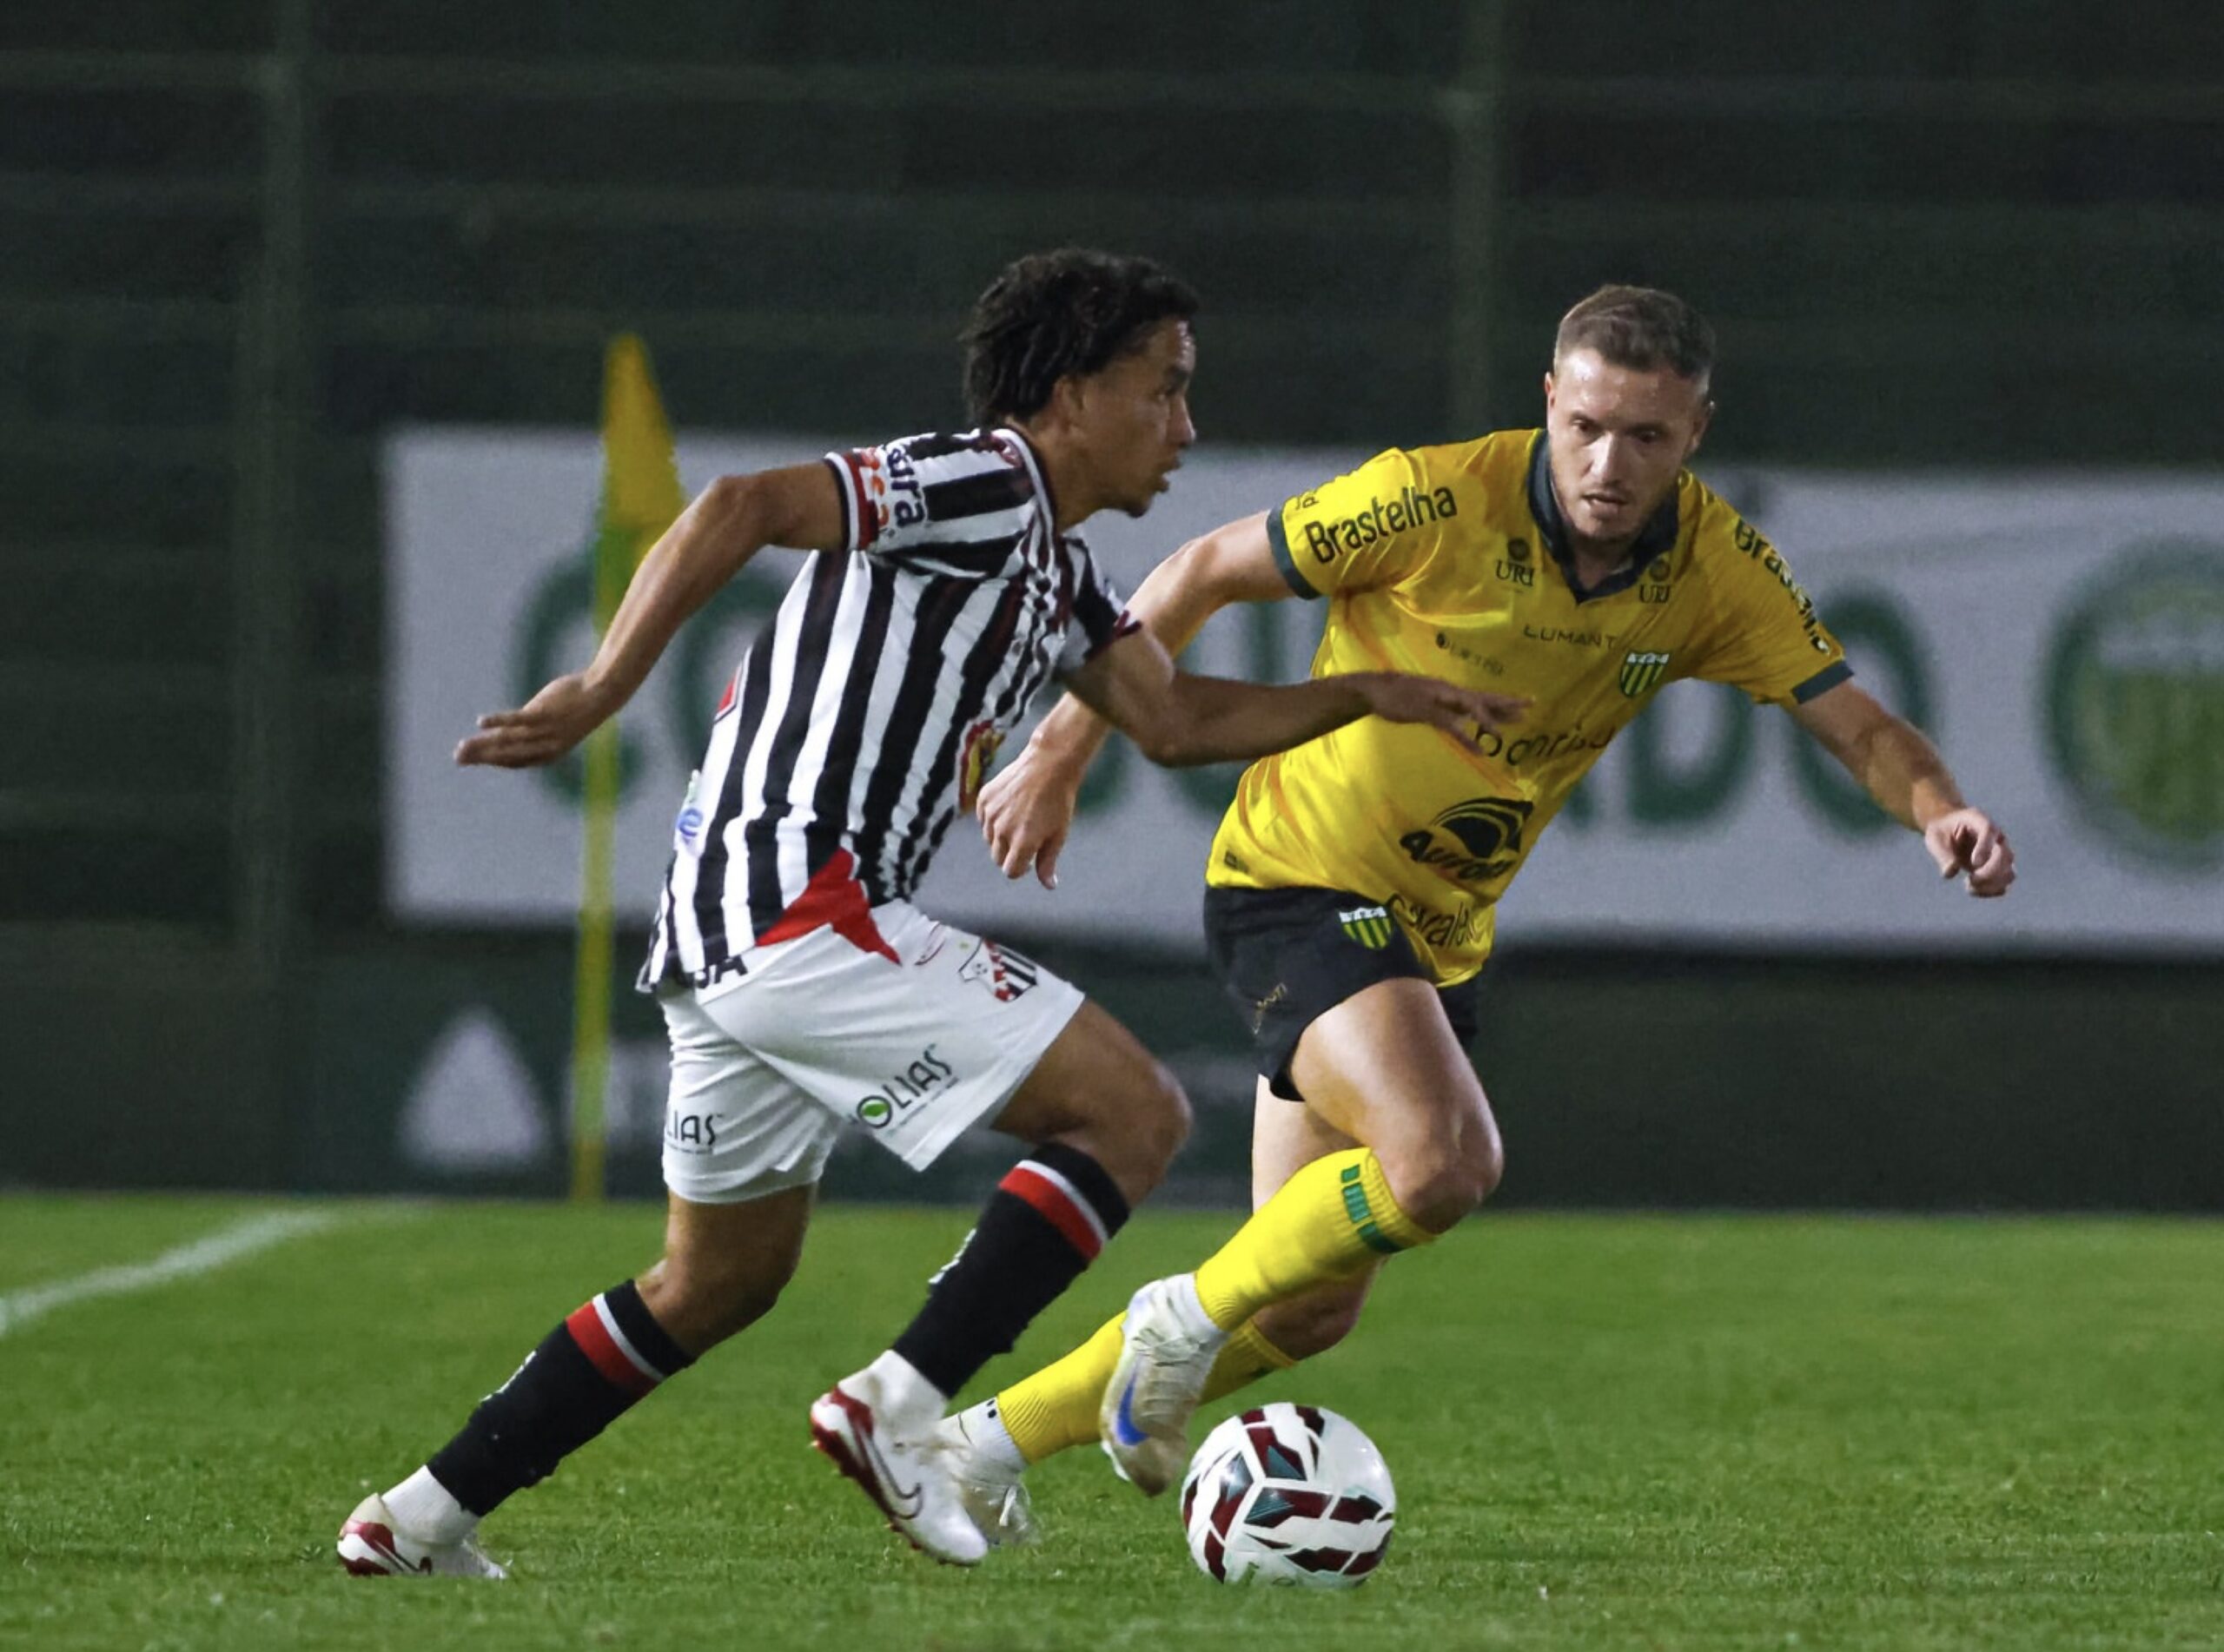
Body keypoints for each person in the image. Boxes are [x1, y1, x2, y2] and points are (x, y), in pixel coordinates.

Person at [335, 248, 1524, 1576]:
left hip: (737, 933)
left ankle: (420, 1515)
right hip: (793, 900)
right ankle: (900, 1404)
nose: (1186, 427)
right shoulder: (978, 480)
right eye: (1164, 391)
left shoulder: (1060, 573)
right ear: (1070, 394)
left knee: (715, 1282)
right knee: (1135, 1113)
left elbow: (1180, 719)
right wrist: (602, 688)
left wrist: (1367, 694)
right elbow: (738, 503)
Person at [939, 283, 2017, 1537]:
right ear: (1551, 401)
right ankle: (1179, 1319)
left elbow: (1861, 725)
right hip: (1299, 880)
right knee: (1446, 1160)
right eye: (1590, 427)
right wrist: (1066, 752)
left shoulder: (1713, 568)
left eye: (1649, 438)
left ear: (1697, 434)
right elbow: (1194, 571)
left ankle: (982, 1444)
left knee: (1303, 1310)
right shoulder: (1434, 496)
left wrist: (1937, 805)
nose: (1612, 464)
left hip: (1426, 933)